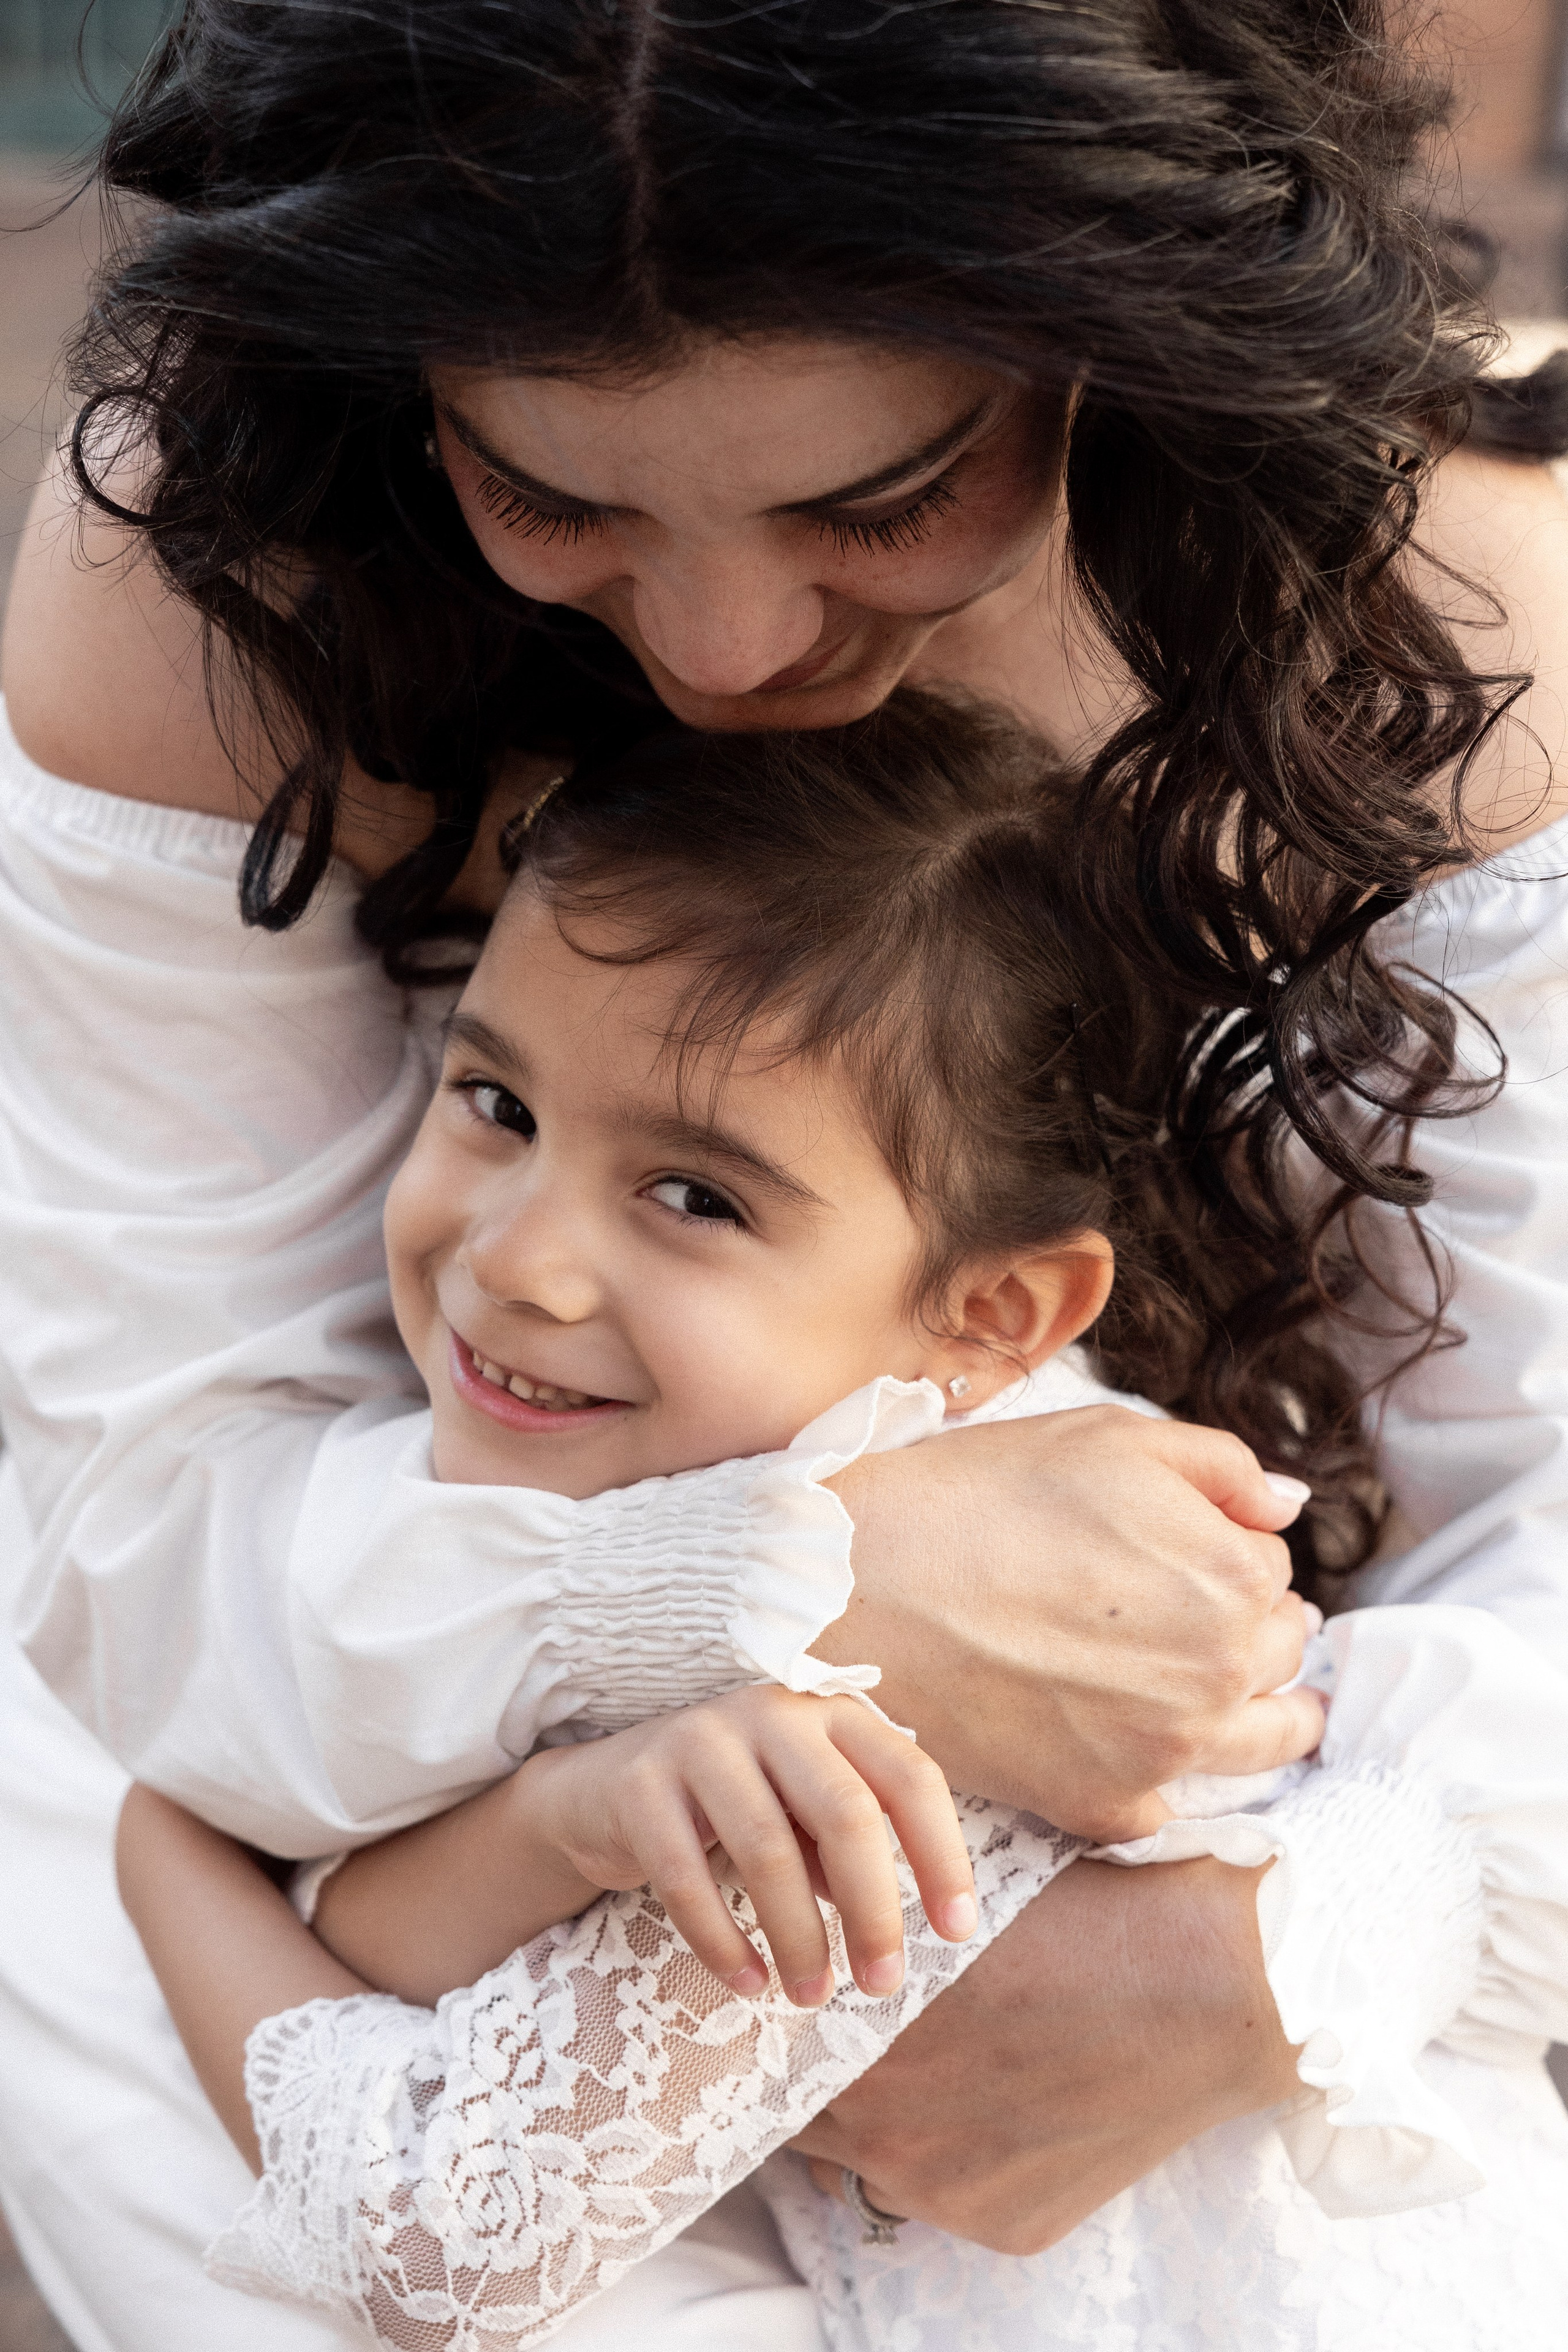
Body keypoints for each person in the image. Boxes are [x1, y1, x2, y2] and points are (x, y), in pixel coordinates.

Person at [1, 0, 1567, 2344]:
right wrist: (763, 1584)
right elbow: (133, 1528)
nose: (729, 646)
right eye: (555, 496)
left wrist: (1297, 1947)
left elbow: (1535, 1531)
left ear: (1102, 334)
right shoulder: (224, 552)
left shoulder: (1443, 609)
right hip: (389, 1690)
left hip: (1290, 1810)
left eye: (881, 501)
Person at [110, 695, 1564, 2348]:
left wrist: (158, 1846)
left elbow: (442, 2228)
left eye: (697, 1196)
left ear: (995, 1310)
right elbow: (410, 1950)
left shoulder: (978, 1658)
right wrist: (557, 1822)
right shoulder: (798, 1521)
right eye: (499, 1106)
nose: (515, 1260)